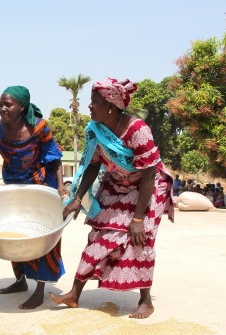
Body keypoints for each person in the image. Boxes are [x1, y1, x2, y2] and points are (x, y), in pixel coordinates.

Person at [50, 78, 174, 319]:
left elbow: (149, 175)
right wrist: (77, 198)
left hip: (148, 187)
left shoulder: (138, 130)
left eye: (94, 102)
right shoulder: (95, 130)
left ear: (110, 106)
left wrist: (138, 219)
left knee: (140, 238)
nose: (90, 106)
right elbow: (93, 166)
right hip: (117, 184)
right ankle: (74, 294)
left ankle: (145, 301)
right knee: (99, 233)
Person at [0, 86, 67, 309]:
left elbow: (53, 156)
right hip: (13, 182)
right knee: (14, 233)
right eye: (0, 104)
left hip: (41, 181)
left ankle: (40, 289)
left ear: (22, 107)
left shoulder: (38, 126)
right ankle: (20, 281)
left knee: (43, 236)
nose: (3, 108)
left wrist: (60, 186)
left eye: (8, 104)